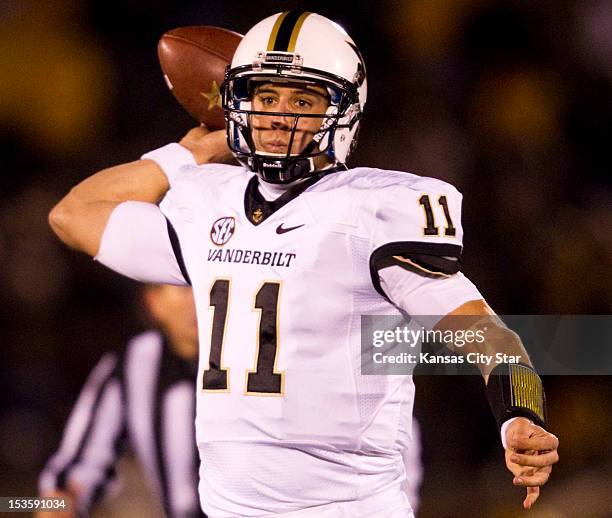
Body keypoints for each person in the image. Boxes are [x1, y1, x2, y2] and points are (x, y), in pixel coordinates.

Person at [48, 10, 559, 517]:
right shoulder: (206, 201)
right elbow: (73, 215)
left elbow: (490, 338)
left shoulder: (371, 210)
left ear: (342, 109)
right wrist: (187, 155)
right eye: (264, 97)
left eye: (301, 100)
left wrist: (518, 414)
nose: (277, 116)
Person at [37, 285, 205, 518]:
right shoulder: (134, 364)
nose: (199, 301)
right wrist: (57, 504)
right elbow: (79, 469)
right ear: (154, 302)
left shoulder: (261, 355)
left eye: (206, 285)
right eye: (184, 289)